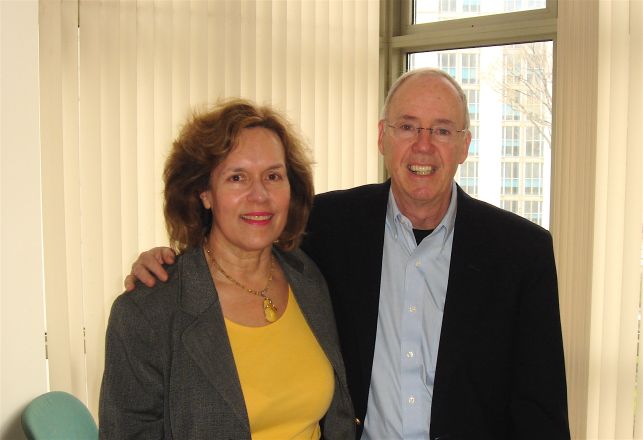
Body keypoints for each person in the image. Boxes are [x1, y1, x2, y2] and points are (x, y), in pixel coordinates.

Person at [126, 68, 570, 439]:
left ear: (464, 145)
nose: (423, 145)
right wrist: (168, 259)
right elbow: (238, 238)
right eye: (408, 126)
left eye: (441, 130)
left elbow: (541, 411)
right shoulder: (327, 228)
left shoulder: (521, 252)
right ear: (382, 137)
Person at [100, 99, 355, 439]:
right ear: (204, 192)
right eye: (237, 177)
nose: (260, 195)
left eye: (273, 176)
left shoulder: (307, 277)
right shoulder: (148, 312)